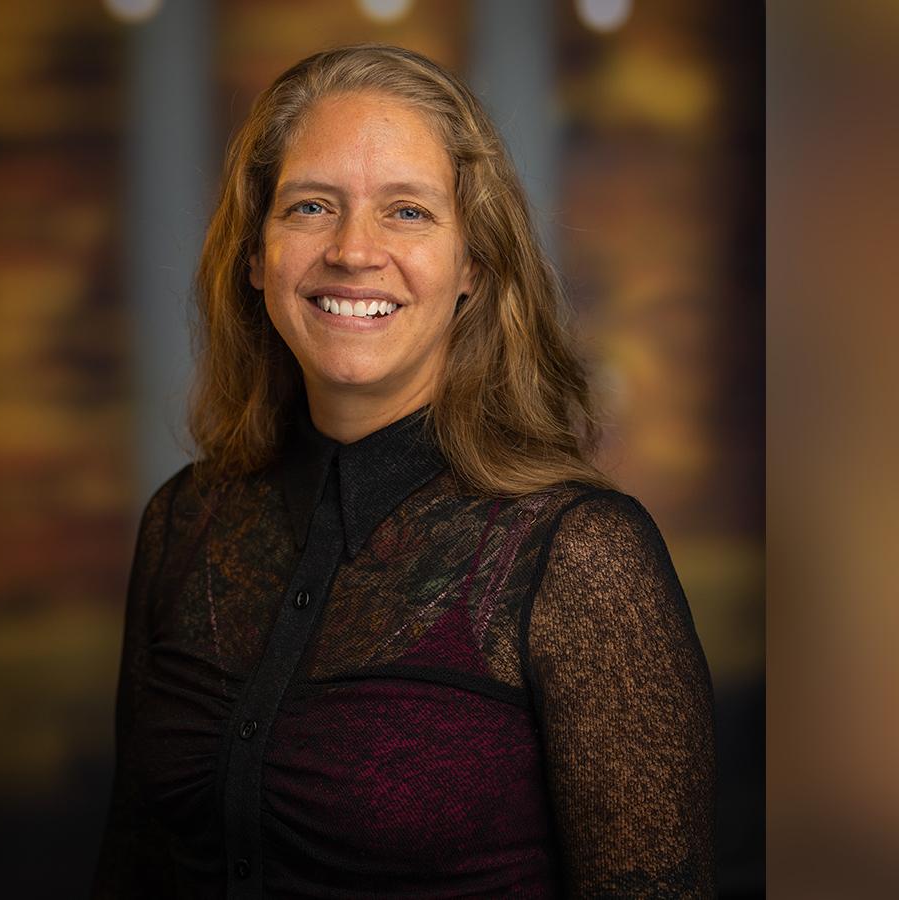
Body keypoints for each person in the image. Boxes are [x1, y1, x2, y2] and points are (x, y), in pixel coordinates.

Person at [94, 44, 715, 898]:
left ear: (473, 267)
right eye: (311, 206)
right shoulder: (182, 524)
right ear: (255, 255)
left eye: (409, 213)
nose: (354, 251)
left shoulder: (580, 557)